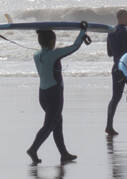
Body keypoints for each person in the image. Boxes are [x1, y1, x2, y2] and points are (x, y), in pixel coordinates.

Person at [27, 23, 88, 165]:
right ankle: (33, 149)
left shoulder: (36, 55)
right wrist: (82, 31)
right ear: (52, 41)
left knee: (57, 123)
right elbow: (74, 47)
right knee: (49, 125)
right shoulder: (54, 54)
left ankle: (64, 154)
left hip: (42, 94)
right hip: (54, 94)